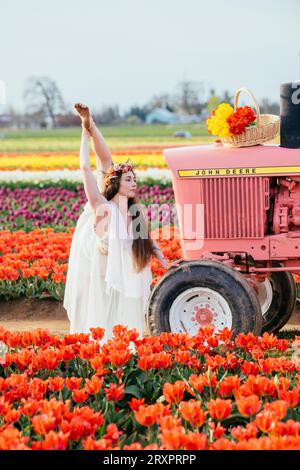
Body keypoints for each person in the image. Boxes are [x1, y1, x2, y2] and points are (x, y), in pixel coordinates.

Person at [63, 103, 178, 344]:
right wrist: (86, 131)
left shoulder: (135, 211)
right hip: (99, 271)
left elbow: (147, 240)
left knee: (126, 317)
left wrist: (167, 263)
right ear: (116, 183)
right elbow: (89, 165)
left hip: (123, 271)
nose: (134, 183)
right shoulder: (102, 207)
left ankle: (123, 348)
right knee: (101, 321)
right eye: (129, 179)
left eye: (135, 179)